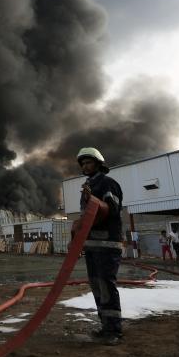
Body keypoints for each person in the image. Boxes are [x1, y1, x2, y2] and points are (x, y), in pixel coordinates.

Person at [72, 147, 124, 346]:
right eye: (83, 163)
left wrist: (92, 199)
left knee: (106, 284)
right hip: (92, 245)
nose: (85, 166)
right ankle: (105, 326)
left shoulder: (108, 183)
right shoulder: (88, 185)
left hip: (108, 243)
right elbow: (87, 217)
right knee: (96, 285)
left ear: (98, 163)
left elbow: (111, 210)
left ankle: (114, 331)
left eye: (88, 162)